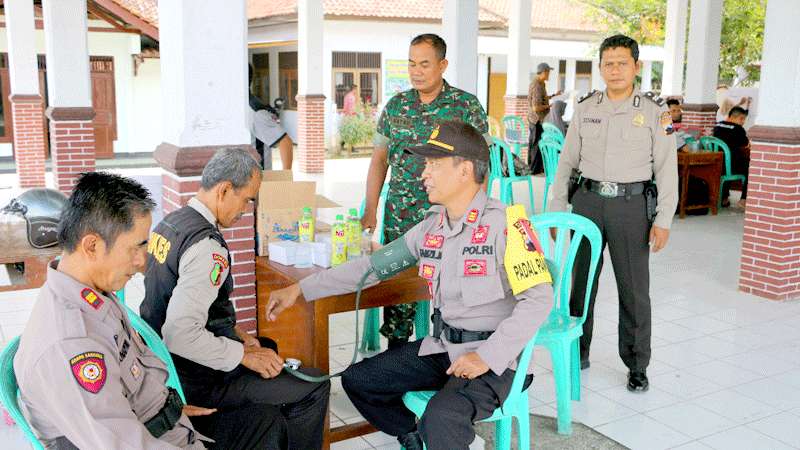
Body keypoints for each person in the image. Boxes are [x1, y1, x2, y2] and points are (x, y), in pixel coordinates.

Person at [267, 120, 554, 450]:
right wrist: (301, 289)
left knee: (443, 416)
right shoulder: (432, 226)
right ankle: (413, 435)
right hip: (444, 348)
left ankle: (436, 434)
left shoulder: (508, 224)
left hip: (497, 360)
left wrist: (486, 357)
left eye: (433, 164)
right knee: (358, 379)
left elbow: (539, 300)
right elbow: (371, 267)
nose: (423, 174)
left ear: (465, 170)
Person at [140, 148, 329, 450]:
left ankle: (268, 431)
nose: (246, 210)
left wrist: (238, 336)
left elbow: (170, 300)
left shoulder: (171, 223)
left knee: (267, 347)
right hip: (197, 379)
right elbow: (180, 334)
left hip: (169, 367)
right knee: (314, 386)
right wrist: (242, 355)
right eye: (246, 200)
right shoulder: (206, 248)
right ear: (225, 189)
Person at [14, 172, 214, 448]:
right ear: (92, 245)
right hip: (151, 439)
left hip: (162, 423)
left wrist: (164, 406)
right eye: (135, 247)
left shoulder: (90, 292)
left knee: (265, 422)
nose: (141, 260)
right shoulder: (71, 343)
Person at [550, 34, 678, 392]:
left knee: (634, 290)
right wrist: (557, 207)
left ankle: (637, 364)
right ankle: (578, 350)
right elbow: (566, 163)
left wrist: (664, 219)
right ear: (600, 68)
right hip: (588, 203)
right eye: (608, 63)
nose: (615, 69)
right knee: (582, 285)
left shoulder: (655, 111)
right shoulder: (587, 107)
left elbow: (668, 169)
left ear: (636, 67)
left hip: (631, 208)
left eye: (623, 62)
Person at [360, 33, 489, 350]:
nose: (416, 71)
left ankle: (444, 353)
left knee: (449, 290)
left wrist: (476, 212)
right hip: (400, 217)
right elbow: (379, 161)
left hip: (449, 219)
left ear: (443, 65)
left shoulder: (466, 106)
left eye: (424, 64)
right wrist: (371, 209)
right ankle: (397, 356)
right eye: (411, 63)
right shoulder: (397, 106)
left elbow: (482, 164)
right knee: (397, 292)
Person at [249, 63, 294, 170]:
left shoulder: (256, 111)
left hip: (260, 180)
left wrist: (285, 177)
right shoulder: (238, 108)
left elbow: (285, 142)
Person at [527, 62, 563, 173]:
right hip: (536, 119)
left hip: (540, 118)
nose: (549, 75)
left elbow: (541, 98)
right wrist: (550, 105)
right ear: (543, 72)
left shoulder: (541, 83)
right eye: (548, 72)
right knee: (536, 145)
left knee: (537, 143)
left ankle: (536, 169)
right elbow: (536, 107)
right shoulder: (537, 85)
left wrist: (553, 96)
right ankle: (533, 170)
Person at [713, 106, 751, 208]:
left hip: (715, 164)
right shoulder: (738, 129)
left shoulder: (717, 125)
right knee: (751, 167)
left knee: (730, 161)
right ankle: (743, 199)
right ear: (732, 117)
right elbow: (746, 145)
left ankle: (724, 198)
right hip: (729, 166)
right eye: (741, 119)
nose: (743, 122)